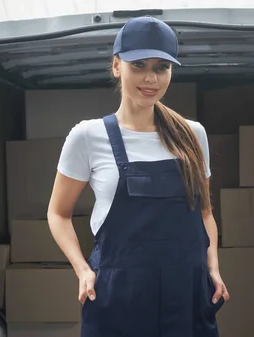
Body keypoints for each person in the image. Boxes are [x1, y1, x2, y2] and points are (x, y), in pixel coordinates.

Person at [47, 16, 230, 337]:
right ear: (117, 66)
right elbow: (58, 214)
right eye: (139, 65)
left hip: (185, 292)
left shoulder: (193, 135)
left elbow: (205, 213)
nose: (151, 78)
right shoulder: (88, 136)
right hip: (119, 295)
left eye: (162, 67)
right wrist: (83, 270)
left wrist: (212, 267)